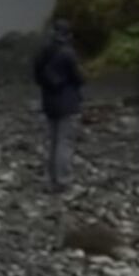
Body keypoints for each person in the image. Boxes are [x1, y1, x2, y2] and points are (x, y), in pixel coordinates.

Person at [31, 18, 84, 192]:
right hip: (67, 102)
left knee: (52, 142)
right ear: (67, 35)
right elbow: (79, 78)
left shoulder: (43, 53)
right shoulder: (68, 53)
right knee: (64, 142)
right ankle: (63, 179)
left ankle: (51, 178)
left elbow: (37, 75)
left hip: (49, 101)